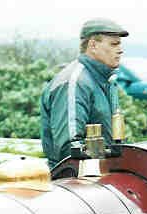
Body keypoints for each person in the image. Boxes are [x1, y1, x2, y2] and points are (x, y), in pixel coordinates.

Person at [39, 18, 128, 168]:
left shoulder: (105, 81)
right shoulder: (75, 82)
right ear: (93, 45)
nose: (120, 50)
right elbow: (69, 150)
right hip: (76, 182)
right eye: (114, 44)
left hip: (100, 177)